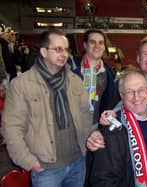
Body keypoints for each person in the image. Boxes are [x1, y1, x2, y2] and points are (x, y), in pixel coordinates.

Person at [1, 29, 93, 187]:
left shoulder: (75, 81)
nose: (64, 54)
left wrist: (86, 146)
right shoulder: (21, 84)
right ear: (43, 52)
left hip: (78, 163)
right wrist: (29, 161)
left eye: (66, 49)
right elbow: (11, 128)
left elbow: (85, 115)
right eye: (58, 49)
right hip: (46, 170)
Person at [85, 67, 147, 187]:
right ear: (121, 95)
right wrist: (95, 131)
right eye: (130, 92)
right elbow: (103, 181)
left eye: (141, 90)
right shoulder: (112, 131)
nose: (136, 97)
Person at [73, 29, 120, 126]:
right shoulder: (71, 67)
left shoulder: (109, 73)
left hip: (96, 128)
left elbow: (112, 104)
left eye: (101, 43)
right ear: (85, 45)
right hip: (73, 128)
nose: (97, 46)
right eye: (92, 42)